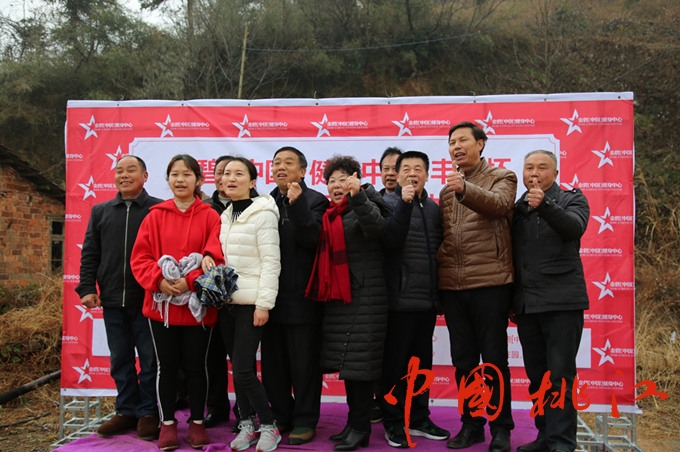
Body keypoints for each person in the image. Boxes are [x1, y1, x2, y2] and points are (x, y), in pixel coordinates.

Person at [131, 154, 224, 451]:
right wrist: (158, 280)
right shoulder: (154, 216)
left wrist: (191, 280)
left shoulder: (211, 216)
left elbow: (216, 256)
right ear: (168, 179)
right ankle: (168, 423)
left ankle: (197, 422)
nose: (180, 180)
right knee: (166, 367)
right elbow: (140, 258)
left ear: (198, 180)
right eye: (174, 174)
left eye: (187, 174)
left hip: (198, 308)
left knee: (197, 367)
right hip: (162, 308)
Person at [437, 121, 517, 452]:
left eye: (463, 140)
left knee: (494, 361)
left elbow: (499, 205)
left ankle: (501, 428)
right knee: (464, 362)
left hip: (490, 283)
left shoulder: (502, 177)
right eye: (452, 142)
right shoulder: (446, 191)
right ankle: (471, 424)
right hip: (454, 288)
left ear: (480, 144)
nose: (456, 147)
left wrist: (465, 189)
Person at [76, 155, 162, 441]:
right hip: (112, 301)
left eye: (131, 170)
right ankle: (126, 410)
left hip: (148, 301)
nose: (124, 175)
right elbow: (90, 253)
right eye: (120, 171)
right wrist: (87, 288)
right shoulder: (101, 211)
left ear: (145, 176)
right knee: (120, 359)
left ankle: (148, 412)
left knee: (150, 361)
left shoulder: (157, 210)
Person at [306, 155, 388, 452]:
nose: (337, 185)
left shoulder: (370, 202)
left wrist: (359, 197)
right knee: (349, 365)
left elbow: (376, 229)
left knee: (361, 367)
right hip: (340, 298)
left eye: (343, 179)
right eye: (331, 181)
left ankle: (361, 427)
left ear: (356, 179)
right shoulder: (331, 214)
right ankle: (354, 424)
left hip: (366, 297)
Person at [511, 150, 590, 452]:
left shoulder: (572, 199)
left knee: (560, 377)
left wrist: (544, 204)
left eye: (542, 167)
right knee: (537, 378)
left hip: (562, 304)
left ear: (555, 173)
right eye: (529, 167)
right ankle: (544, 436)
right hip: (527, 305)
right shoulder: (518, 208)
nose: (534, 172)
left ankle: (561, 442)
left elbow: (574, 227)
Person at [381, 150, 449, 448]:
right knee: (394, 366)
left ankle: (419, 417)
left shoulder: (434, 208)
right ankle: (393, 421)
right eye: (406, 168)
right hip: (398, 300)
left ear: (427, 174)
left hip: (427, 301)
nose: (412, 173)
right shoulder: (387, 204)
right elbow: (389, 242)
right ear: (396, 175)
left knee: (422, 366)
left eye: (418, 168)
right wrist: (405, 205)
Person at [261, 146, 329, 445]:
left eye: (288, 162)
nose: (281, 167)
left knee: (304, 366)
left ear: (302, 171)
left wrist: (297, 202)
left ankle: (304, 419)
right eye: (276, 162)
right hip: (268, 299)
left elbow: (312, 238)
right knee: (273, 366)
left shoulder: (315, 200)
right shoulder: (264, 203)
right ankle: (281, 414)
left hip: (302, 298)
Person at [218, 157, 282, 452]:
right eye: (227, 174)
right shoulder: (225, 214)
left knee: (244, 370)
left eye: (239, 174)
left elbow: (271, 262)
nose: (231, 178)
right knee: (237, 368)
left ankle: (269, 426)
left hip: (251, 303)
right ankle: (246, 423)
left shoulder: (263, 213)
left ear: (253, 181)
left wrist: (264, 304)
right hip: (226, 303)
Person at [203, 155, 235, 428]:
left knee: (241, 358)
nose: (225, 177)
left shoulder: (255, 206)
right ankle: (216, 407)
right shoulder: (204, 209)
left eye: (231, 172)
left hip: (241, 294)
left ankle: (246, 410)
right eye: (220, 172)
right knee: (212, 357)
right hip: (210, 297)